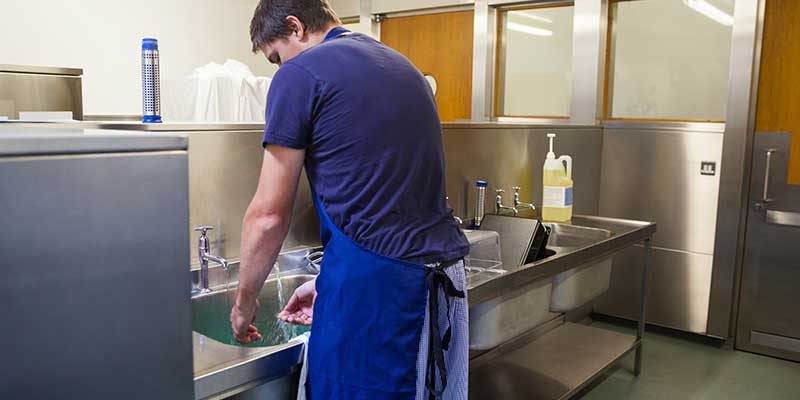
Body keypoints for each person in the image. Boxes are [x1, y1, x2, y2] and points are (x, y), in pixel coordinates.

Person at [229, 1, 470, 398]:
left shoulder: (299, 75)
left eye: (275, 57)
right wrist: (328, 280)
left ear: (296, 28)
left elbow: (269, 216)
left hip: (377, 293)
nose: (279, 69)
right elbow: (385, 199)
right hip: (438, 281)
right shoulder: (401, 66)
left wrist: (244, 303)